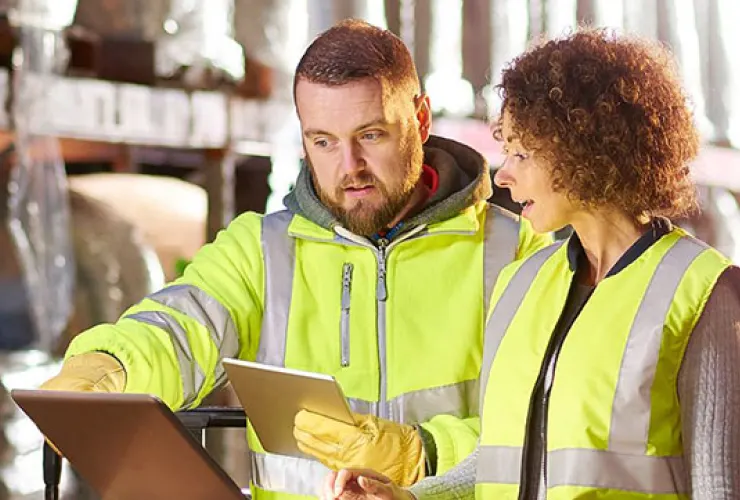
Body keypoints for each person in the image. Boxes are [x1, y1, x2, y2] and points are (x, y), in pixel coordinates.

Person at [39, 19, 551, 499]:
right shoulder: (262, 250)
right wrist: (110, 368)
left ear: (419, 118)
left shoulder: (512, 252)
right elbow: (177, 327)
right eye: (322, 142)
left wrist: (424, 454)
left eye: (370, 136)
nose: (349, 168)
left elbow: (543, 425)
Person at [324, 27, 740, 500]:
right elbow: (505, 454)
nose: (504, 173)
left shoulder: (701, 291)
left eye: (522, 153)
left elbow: (720, 486)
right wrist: (412, 495)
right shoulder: (522, 284)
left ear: (585, 152)